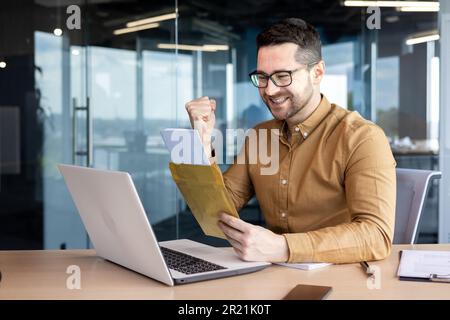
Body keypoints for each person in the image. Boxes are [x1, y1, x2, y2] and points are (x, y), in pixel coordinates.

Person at [184, 18, 396, 264]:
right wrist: (200, 141)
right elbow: (216, 212)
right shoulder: (260, 137)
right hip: (274, 275)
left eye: (282, 76)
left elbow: (376, 235)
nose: (270, 90)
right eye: (262, 77)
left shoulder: (362, 137)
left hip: (342, 277)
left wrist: (283, 247)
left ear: (317, 72)